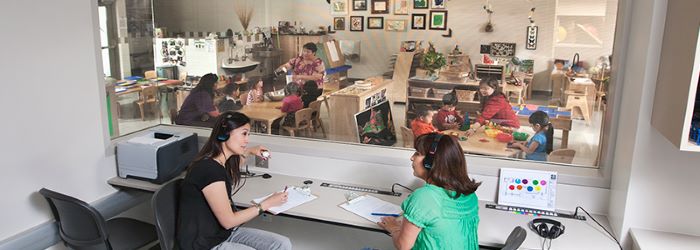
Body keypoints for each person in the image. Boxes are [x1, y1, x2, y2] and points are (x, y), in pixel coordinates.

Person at [177, 111, 292, 250]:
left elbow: (227, 174)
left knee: (282, 244)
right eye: (244, 133)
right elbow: (229, 221)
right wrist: (266, 204)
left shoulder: (217, 163)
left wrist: (249, 151)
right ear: (225, 134)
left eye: (248, 135)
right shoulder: (209, 170)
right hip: (204, 243)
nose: (247, 140)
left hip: (221, 233)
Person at [378, 133, 481, 250]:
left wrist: (394, 228)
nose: (412, 158)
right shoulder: (470, 194)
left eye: (417, 153)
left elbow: (403, 246)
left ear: (430, 162)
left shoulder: (423, 197)